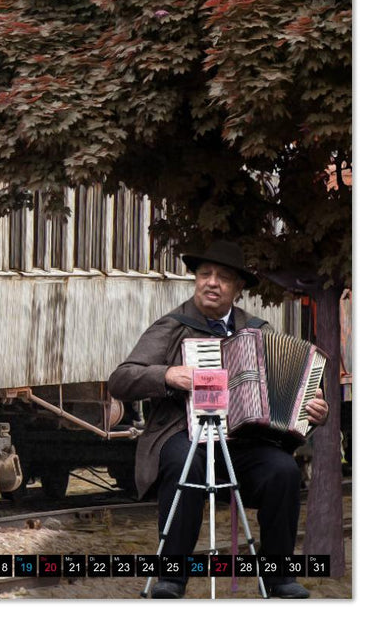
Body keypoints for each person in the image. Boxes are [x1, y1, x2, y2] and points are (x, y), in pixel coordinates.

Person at [107, 241, 329, 599]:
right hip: (184, 434)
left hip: (243, 442)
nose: (212, 283)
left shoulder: (257, 330)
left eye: (223, 278)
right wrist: (167, 375)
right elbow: (121, 379)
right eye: (205, 274)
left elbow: (292, 397)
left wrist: (315, 412)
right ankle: (172, 577)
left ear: (237, 288)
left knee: (283, 471)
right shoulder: (172, 327)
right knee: (183, 463)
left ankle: (279, 577)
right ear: (195, 280)